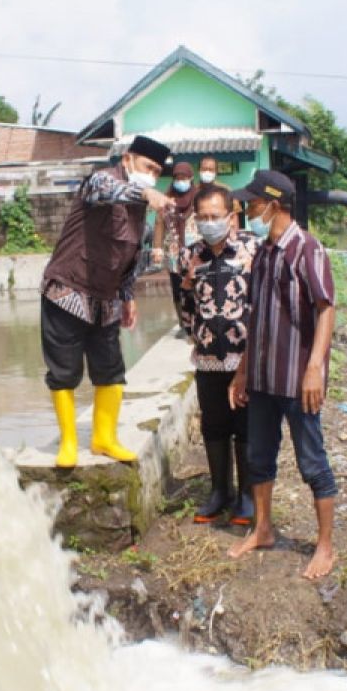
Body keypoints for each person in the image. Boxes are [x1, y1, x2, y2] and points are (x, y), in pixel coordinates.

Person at [226, 170, 339, 580]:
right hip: (262, 377)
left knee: (313, 461)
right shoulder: (264, 253)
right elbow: (256, 316)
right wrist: (242, 371)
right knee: (259, 457)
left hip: (297, 379)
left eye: (253, 203)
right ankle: (264, 529)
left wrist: (314, 370)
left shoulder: (306, 250)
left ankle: (325, 547)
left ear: (273, 205)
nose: (247, 209)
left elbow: (326, 308)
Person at [42, 135, 174, 468]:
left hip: (107, 299)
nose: (152, 176)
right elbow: (106, 192)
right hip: (67, 292)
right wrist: (145, 191)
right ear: (128, 160)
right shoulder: (102, 181)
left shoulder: (141, 209)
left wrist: (127, 296)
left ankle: (104, 439)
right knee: (64, 370)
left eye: (158, 172)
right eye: (148, 167)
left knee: (111, 370)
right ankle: (69, 443)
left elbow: (130, 255)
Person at [175, 183, 258, 525]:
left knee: (246, 427)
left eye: (215, 216)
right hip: (208, 357)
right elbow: (183, 309)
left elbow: (262, 303)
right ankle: (218, 491)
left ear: (231, 216)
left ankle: (248, 496)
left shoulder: (252, 250)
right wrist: (196, 330)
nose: (209, 222)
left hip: (245, 357)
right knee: (214, 426)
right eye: (203, 217)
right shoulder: (188, 256)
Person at [152, 163, 202, 313]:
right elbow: (159, 224)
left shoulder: (199, 197)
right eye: (177, 178)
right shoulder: (166, 199)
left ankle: (198, 316)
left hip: (196, 252)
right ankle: (182, 321)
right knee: (177, 289)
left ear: (191, 178)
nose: (180, 181)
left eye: (184, 178)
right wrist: (157, 248)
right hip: (174, 253)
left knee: (198, 285)